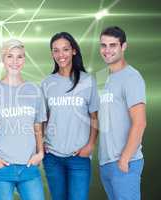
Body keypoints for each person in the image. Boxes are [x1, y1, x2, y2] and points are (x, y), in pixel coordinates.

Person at [0, 39, 46, 200]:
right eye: (10, 56)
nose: (15, 61)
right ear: (3, 59)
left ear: (24, 60)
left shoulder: (34, 90)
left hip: (29, 167)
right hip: (2, 168)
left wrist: (40, 153)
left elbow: (37, 125)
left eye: (20, 57)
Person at [41, 32, 99, 200]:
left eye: (65, 49)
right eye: (56, 50)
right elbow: (43, 119)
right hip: (52, 157)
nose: (61, 55)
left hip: (79, 157)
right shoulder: (47, 83)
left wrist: (90, 146)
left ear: (74, 51)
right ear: (52, 54)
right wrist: (41, 144)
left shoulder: (88, 81)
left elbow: (94, 117)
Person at [98, 26, 147, 200]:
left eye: (113, 45)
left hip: (125, 163)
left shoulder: (131, 77)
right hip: (106, 163)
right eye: (103, 45)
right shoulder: (103, 78)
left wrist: (125, 159)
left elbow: (140, 122)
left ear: (123, 46)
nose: (107, 50)